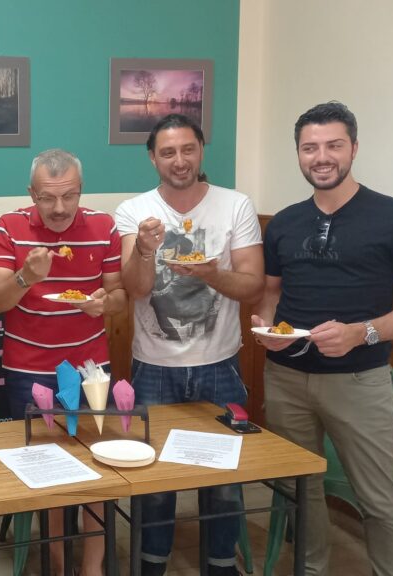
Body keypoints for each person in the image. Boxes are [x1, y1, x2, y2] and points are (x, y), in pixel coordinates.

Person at [253, 101, 393, 576]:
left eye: (333, 145)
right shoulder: (285, 222)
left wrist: (363, 333)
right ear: (298, 154)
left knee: (379, 499)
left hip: (360, 380)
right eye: (310, 148)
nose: (322, 157)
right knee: (300, 489)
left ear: (354, 148)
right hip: (286, 377)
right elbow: (271, 293)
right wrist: (267, 329)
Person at [115, 113, 263, 576]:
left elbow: (252, 285)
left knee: (224, 479)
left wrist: (213, 274)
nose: (179, 161)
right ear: (152, 158)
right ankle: (151, 564)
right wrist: (145, 249)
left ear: (201, 150)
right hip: (154, 366)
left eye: (187, 150)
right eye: (167, 152)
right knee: (154, 477)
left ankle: (220, 565)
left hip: (220, 364)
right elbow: (137, 289)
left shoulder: (235, 205)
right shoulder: (134, 210)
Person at [0, 148, 126, 576]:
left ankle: (93, 568)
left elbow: (119, 295)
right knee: (50, 472)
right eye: (48, 198)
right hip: (28, 370)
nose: (60, 208)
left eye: (69, 196)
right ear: (32, 194)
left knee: (100, 467)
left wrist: (104, 304)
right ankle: (59, 566)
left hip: (90, 371)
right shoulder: (8, 226)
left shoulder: (104, 226)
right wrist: (27, 277)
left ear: (81, 190)